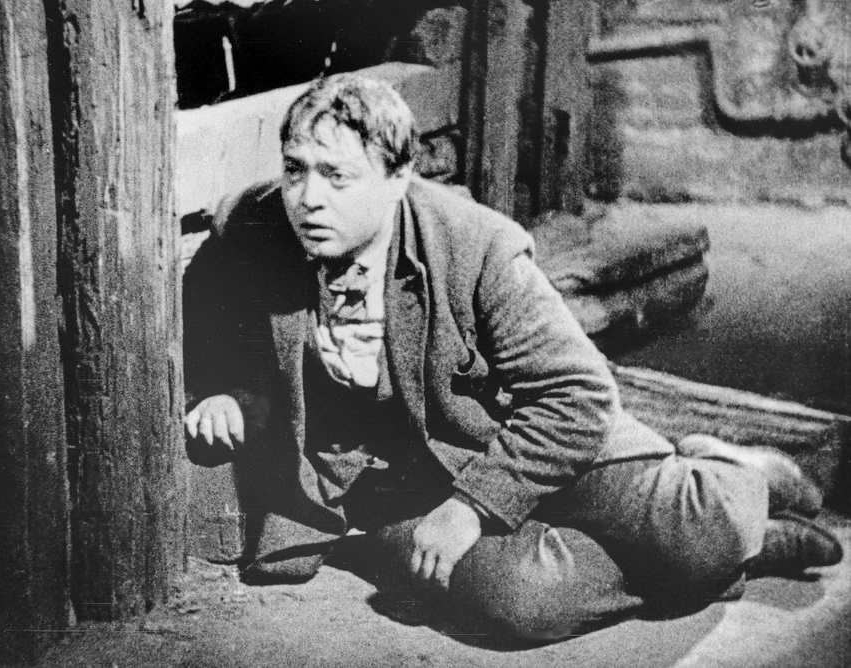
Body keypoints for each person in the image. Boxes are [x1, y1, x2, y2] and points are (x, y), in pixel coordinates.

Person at [182, 73, 843, 640]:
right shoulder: (256, 229)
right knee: (518, 605)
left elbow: (578, 398)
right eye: (295, 170)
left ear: (398, 177)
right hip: (399, 478)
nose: (308, 198)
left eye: (336, 176)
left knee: (692, 532)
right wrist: (227, 392)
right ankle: (731, 560)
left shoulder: (478, 247)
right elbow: (219, 316)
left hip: (526, 436)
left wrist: (470, 508)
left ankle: (741, 480)